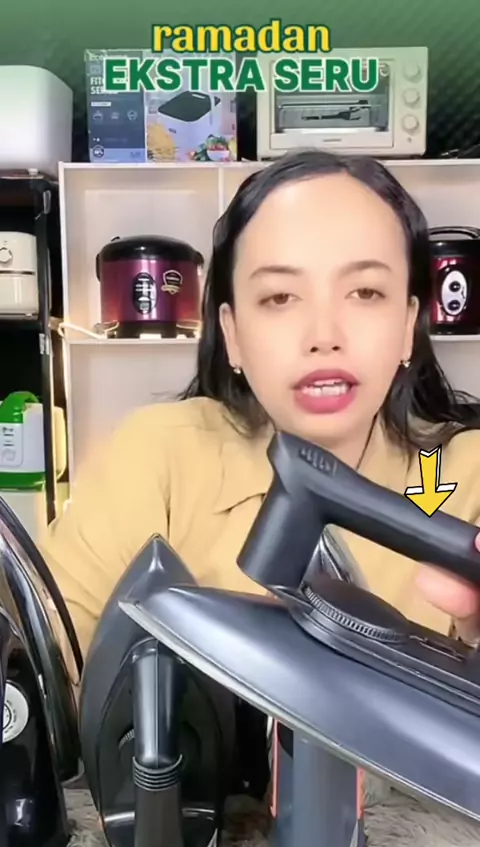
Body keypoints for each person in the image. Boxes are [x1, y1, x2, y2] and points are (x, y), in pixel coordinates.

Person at [41, 148, 480, 685]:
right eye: (279, 297)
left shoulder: (464, 473)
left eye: (366, 292)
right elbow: (41, 671)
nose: (324, 336)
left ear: (409, 325)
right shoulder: (157, 458)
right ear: (231, 333)